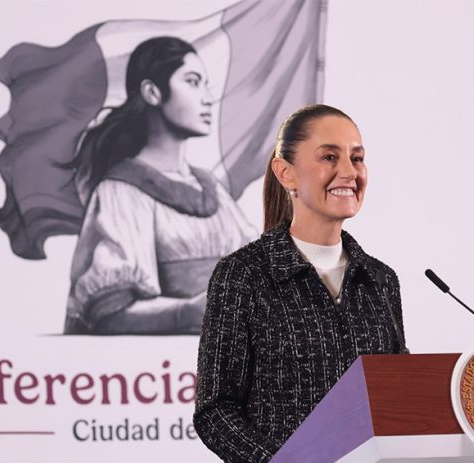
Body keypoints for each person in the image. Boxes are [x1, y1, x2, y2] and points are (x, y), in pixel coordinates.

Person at [194, 104, 407, 462]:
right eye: (329, 157)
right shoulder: (244, 274)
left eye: (357, 158)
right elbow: (216, 411)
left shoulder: (381, 281)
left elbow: (398, 396)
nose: (348, 172)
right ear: (286, 173)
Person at [63, 37, 256, 335]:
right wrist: (187, 312)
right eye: (192, 82)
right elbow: (109, 312)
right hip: (160, 371)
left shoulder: (212, 189)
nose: (207, 98)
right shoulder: (122, 191)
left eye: (206, 85)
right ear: (152, 92)